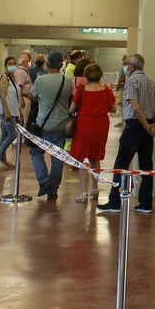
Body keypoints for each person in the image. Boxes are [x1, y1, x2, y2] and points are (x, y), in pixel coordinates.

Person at [98, 53, 155, 214]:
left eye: (126, 64)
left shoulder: (132, 82)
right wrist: (153, 126)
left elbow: (135, 108)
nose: (124, 67)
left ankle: (114, 202)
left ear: (131, 67)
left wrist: (146, 126)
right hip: (148, 127)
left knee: (121, 163)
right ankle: (146, 203)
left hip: (134, 126)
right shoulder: (151, 83)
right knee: (147, 165)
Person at [68, 63, 115, 204]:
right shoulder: (106, 91)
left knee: (84, 158)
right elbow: (113, 109)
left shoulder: (82, 90)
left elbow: (71, 109)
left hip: (85, 124)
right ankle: (95, 189)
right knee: (96, 157)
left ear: (86, 76)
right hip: (101, 125)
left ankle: (83, 192)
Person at [28, 52, 72, 201]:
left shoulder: (41, 80)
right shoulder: (67, 81)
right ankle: (53, 189)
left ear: (48, 64)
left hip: (43, 124)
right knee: (57, 157)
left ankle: (44, 180)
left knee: (36, 152)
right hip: (61, 123)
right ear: (61, 65)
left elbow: (34, 96)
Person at [0, 57, 25, 171]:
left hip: (13, 110)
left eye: (14, 63)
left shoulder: (13, 78)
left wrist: (19, 110)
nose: (12, 65)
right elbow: (2, 95)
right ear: (5, 65)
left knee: (5, 135)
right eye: (10, 63)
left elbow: (15, 96)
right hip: (6, 111)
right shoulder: (4, 78)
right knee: (13, 134)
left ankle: (2, 159)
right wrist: (6, 112)